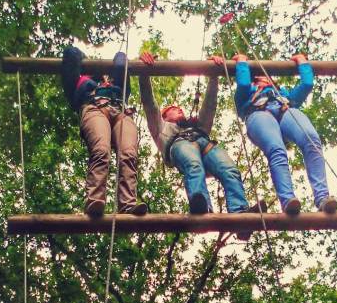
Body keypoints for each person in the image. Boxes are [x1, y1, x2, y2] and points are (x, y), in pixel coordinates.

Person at [136, 52, 265, 216]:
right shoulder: (161, 128)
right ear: (164, 116)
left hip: (205, 143)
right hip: (180, 144)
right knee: (193, 165)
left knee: (230, 170)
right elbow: (149, 103)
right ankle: (202, 207)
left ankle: (239, 211)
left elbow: (209, 105)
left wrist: (214, 74)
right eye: (174, 110)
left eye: (180, 109)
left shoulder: (198, 126)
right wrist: (144, 73)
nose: (179, 110)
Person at [232, 53, 337, 215]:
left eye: (266, 77)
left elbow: (307, 84)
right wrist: (241, 63)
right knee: (276, 149)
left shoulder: (284, 95)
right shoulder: (244, 95)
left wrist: (302, 62)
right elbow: (244, 84)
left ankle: (322, 197)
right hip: (258, 114)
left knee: (311, 139)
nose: (264, 78)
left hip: (285, 110)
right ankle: (288, 200)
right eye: (259, 77)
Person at [60, 45, 148, 217]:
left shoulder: (117, 85)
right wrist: (88, 63)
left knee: (129, 154)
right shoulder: (80, 81)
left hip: (120, 111)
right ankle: (95, 200)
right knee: (101, 150)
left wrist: (108, 70)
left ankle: (128, 204)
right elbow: (70, 54)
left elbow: (121, 59)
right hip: (94, 108)